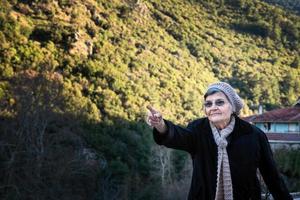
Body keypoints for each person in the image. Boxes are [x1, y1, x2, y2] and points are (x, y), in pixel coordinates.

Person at [146, 82, 292, 200]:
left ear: (232, 107)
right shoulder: (198, 129)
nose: (213, 107)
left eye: (219, 102)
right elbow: (178, 136)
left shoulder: (253, 134)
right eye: (208, 104)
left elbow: (272, 177)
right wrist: (161, 125)